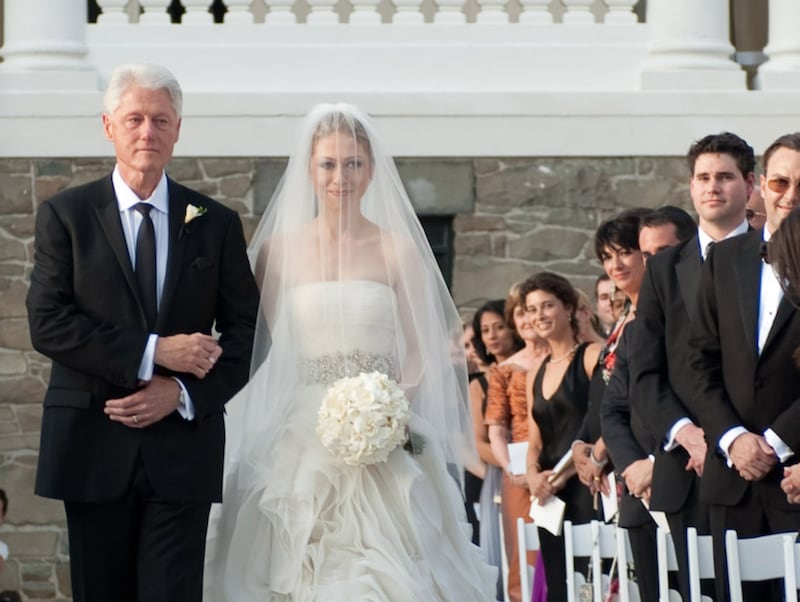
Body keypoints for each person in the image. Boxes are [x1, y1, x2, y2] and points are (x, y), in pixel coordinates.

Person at [203, 103, 496, 600]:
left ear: (372, 168)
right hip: (301, 429)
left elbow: (423, 347)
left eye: (353, 163)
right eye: (329, 164)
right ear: (310, 170)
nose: (341, 176)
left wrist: (389, 408)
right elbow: (250, 342)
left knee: (389, 565)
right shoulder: (277, 250)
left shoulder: (398, 249)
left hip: (384, 425)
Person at [25, 63, 259, 602]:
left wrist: (181, 391)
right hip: (91, 443)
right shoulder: (66, 215)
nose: (146, 132)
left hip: (183, 450)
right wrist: (156, 353)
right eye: (134, 119)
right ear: (109, 126)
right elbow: (49, 323)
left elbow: (248, 330)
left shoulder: (216, 223)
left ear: (178, 130)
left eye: (160, 120)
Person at [631, 132, 754, 601]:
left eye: (725, 176)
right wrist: (687, 433)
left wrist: (736, 438)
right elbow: (644, 370)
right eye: (703, 177)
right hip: (686, 470)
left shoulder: (778, 257)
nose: (713, 187)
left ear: (749, 184)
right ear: (691, 186)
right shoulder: (663, 270)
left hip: (759, 465)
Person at [688, 132, 800, 602]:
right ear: (761, 188)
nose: (791, 196)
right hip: (730, 481)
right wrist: (733, 439)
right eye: (780, 182)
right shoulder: (725, 259)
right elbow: (697, 362)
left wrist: (776, 442)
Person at [600, 206, 694, 602]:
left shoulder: (712, 315)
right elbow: (613, 409)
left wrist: (659, 464)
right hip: (641, 496)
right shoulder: (636, 332)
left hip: (695, 485)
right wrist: (632, 468)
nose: (654, 264)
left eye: (664, 252)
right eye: (648, 255)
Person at [524, 272, 601, 602]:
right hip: (549, 497)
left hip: (588, 485)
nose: (538, 315)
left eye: (547, 305)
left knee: (591, 583)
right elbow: (534, 442)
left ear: (569, 308)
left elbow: (602, 423)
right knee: (559, 584)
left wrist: (563, 474)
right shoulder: (535, 372)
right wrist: (532, 476)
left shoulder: (592, 355)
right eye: (531, 309)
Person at [485, 284, 549, 602]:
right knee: (523, 553)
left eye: (531, 311)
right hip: (520, 468)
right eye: (520, 312)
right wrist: (511, 467)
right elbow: (496, 429)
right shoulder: (504, 370)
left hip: (558, 460)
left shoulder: (562, 357)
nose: (526, 318)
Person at [469, 298, 523, 599]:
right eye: (485, 330)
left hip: (541, 469)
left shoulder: (530, 367)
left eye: (499, 327)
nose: (492, 335)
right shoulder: (478, 385)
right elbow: (478, 443)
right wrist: (514, 464)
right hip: (500, 476)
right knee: (505, 549)